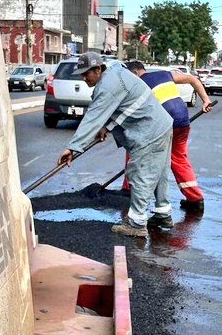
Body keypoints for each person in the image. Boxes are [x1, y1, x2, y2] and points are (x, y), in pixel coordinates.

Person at [56, 52, 173, 238]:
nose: (83, 78)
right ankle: (162, 213)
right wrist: (106, 126)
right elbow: (122, 106)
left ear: (98, 68)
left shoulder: (107, 86)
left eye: (86, 73)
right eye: (81, 74)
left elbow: (93, 117)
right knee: (158, 171)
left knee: (140, 174)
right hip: (160, 125)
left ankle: (136, 224)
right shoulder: (115, 73)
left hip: (149, 132)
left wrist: (72, 147)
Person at [125, 61, 212, 214]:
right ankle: (195, 199)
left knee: (134, 150)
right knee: (178, 158)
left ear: (134, 73)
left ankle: (127, 191)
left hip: (164, 124)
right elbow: (193, 79)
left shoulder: (138, 84)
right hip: (182, 121)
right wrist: (206, 100)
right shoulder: (164, 74)